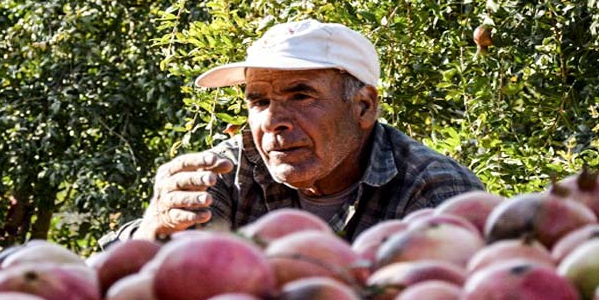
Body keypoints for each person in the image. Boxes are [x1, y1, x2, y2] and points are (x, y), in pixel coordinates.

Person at [110, 19, 485, 243]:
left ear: (364, 107)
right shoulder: (225, 173)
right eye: (259, 101)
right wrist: (154, 229)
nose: (273, 120)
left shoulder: (433, 188)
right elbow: (146, 288)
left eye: (301, 95)